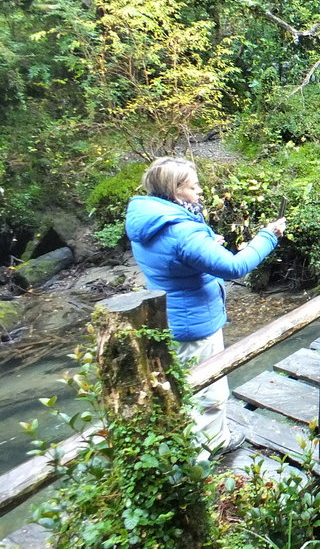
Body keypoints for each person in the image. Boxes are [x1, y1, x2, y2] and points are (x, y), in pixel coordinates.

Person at [125, 157, 286, 456]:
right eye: (193, 186)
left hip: (170, 317)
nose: (200, 192)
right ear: (175, 192)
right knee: (209, 392)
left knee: (182, 389)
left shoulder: (148, 218)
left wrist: (209, 241)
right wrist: (268, 236)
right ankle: (208, 453)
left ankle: (189, 448)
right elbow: (236, 267)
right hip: (194, 323)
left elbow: (173, 257)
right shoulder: (183, 232)